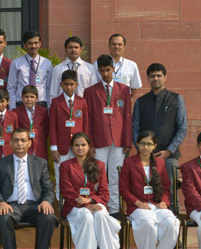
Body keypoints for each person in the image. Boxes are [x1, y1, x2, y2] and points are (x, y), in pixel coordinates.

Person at [0, 129, 56, 249]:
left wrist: (46, 201)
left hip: (35, 205)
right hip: (11, 206)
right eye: (16, 140)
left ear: (29, 143)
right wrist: (1, 202)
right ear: (11, 143)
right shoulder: (0, 164)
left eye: (23, 140)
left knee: (49, 217)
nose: (19, 143)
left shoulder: (40, 163)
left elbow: (48, 189)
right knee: (3, 216)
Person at [59, 133, 120, 249]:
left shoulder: (99, 165)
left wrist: (90, 200)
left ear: (89, 147)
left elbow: (105, 193)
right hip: (75, 206)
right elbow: (67, 191)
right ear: (72, 148)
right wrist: (86, 205)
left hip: (95, 203)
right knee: (87, 216)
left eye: (83, 145)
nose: (80, 148)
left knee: (101, 215)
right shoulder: (66, 166)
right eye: (76, 145)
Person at [119, 130, 179, 249]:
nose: (145, 147)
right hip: (138, 206)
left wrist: (164, 201)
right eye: (142, 144)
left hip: (157, 204)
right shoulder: (129, 162)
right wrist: (136, 202)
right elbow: (123, 188)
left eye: (149, 144)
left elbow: (165, 187)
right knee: (148, 223)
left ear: (154, 146)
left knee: (172, 222)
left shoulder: (160, 163)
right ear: (137, 145)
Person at [84, 55, 132, 215]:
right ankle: (100, 204)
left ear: (113, 69)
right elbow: (88, 118)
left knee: (115, 175)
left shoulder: (124, 89)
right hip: (99, 140)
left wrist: (127, 141)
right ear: (98, 71)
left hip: (118, 141)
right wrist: (89, 143)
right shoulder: (90, 91)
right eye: (102, 71)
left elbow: (127, 116)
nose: (105, 74)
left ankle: (114, 208)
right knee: (97, 175)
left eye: (108, 70)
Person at [132, 63, 188, 190]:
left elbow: (182, 127)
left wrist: (169, 151)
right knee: (144, 190)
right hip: (145, 156)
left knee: (171, 193)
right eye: (152, 76)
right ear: (148, 78)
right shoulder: (140, 102)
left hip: (169, 156)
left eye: (159, 76)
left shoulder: (176, 99)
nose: (156, 79)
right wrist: (143, 149)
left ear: (165, 77)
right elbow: (135, 128)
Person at [49, 70, 89, 199]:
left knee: (79, 175)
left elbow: (86, 125)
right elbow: (52, 127)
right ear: (61, 85)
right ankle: (62, 206)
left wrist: (87, 146)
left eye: (72, 84)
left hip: (79, 147)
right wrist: (53, 148)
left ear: (76, 85)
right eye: (66, 84)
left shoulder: (82, 102)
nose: (69, 87)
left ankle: (79, 202)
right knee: (61, 176)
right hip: (61, 147)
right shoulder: (56, 102)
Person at [7, 30, 52, 109]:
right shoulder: (16, 63)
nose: (33, 46)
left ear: (40, 44)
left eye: (36, 43)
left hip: (41, 105)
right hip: (21, 105)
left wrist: (49, 108)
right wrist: (12, 108)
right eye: (30, 43)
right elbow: (11, 88)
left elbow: (49, 88)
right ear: (25, 45)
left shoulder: (47, 63)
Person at [49, 36, 98, 104]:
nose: (73, 50)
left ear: (81, 49)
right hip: (63, 107)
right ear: (65, 50)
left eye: (76, 47)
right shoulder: (57, 69)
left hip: (84, 106)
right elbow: (53, 93)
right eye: (70, 47)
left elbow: (93, 92)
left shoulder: (90, 68)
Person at [13, 85, 49, 160]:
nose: (29, 99)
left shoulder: (43, 111)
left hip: (40, 147)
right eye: (26, 97)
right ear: (22, 98)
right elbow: (15, 130)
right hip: (23, 148)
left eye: (32, 97)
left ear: (37, 99)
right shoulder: (16, 112)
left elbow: (46, 130)